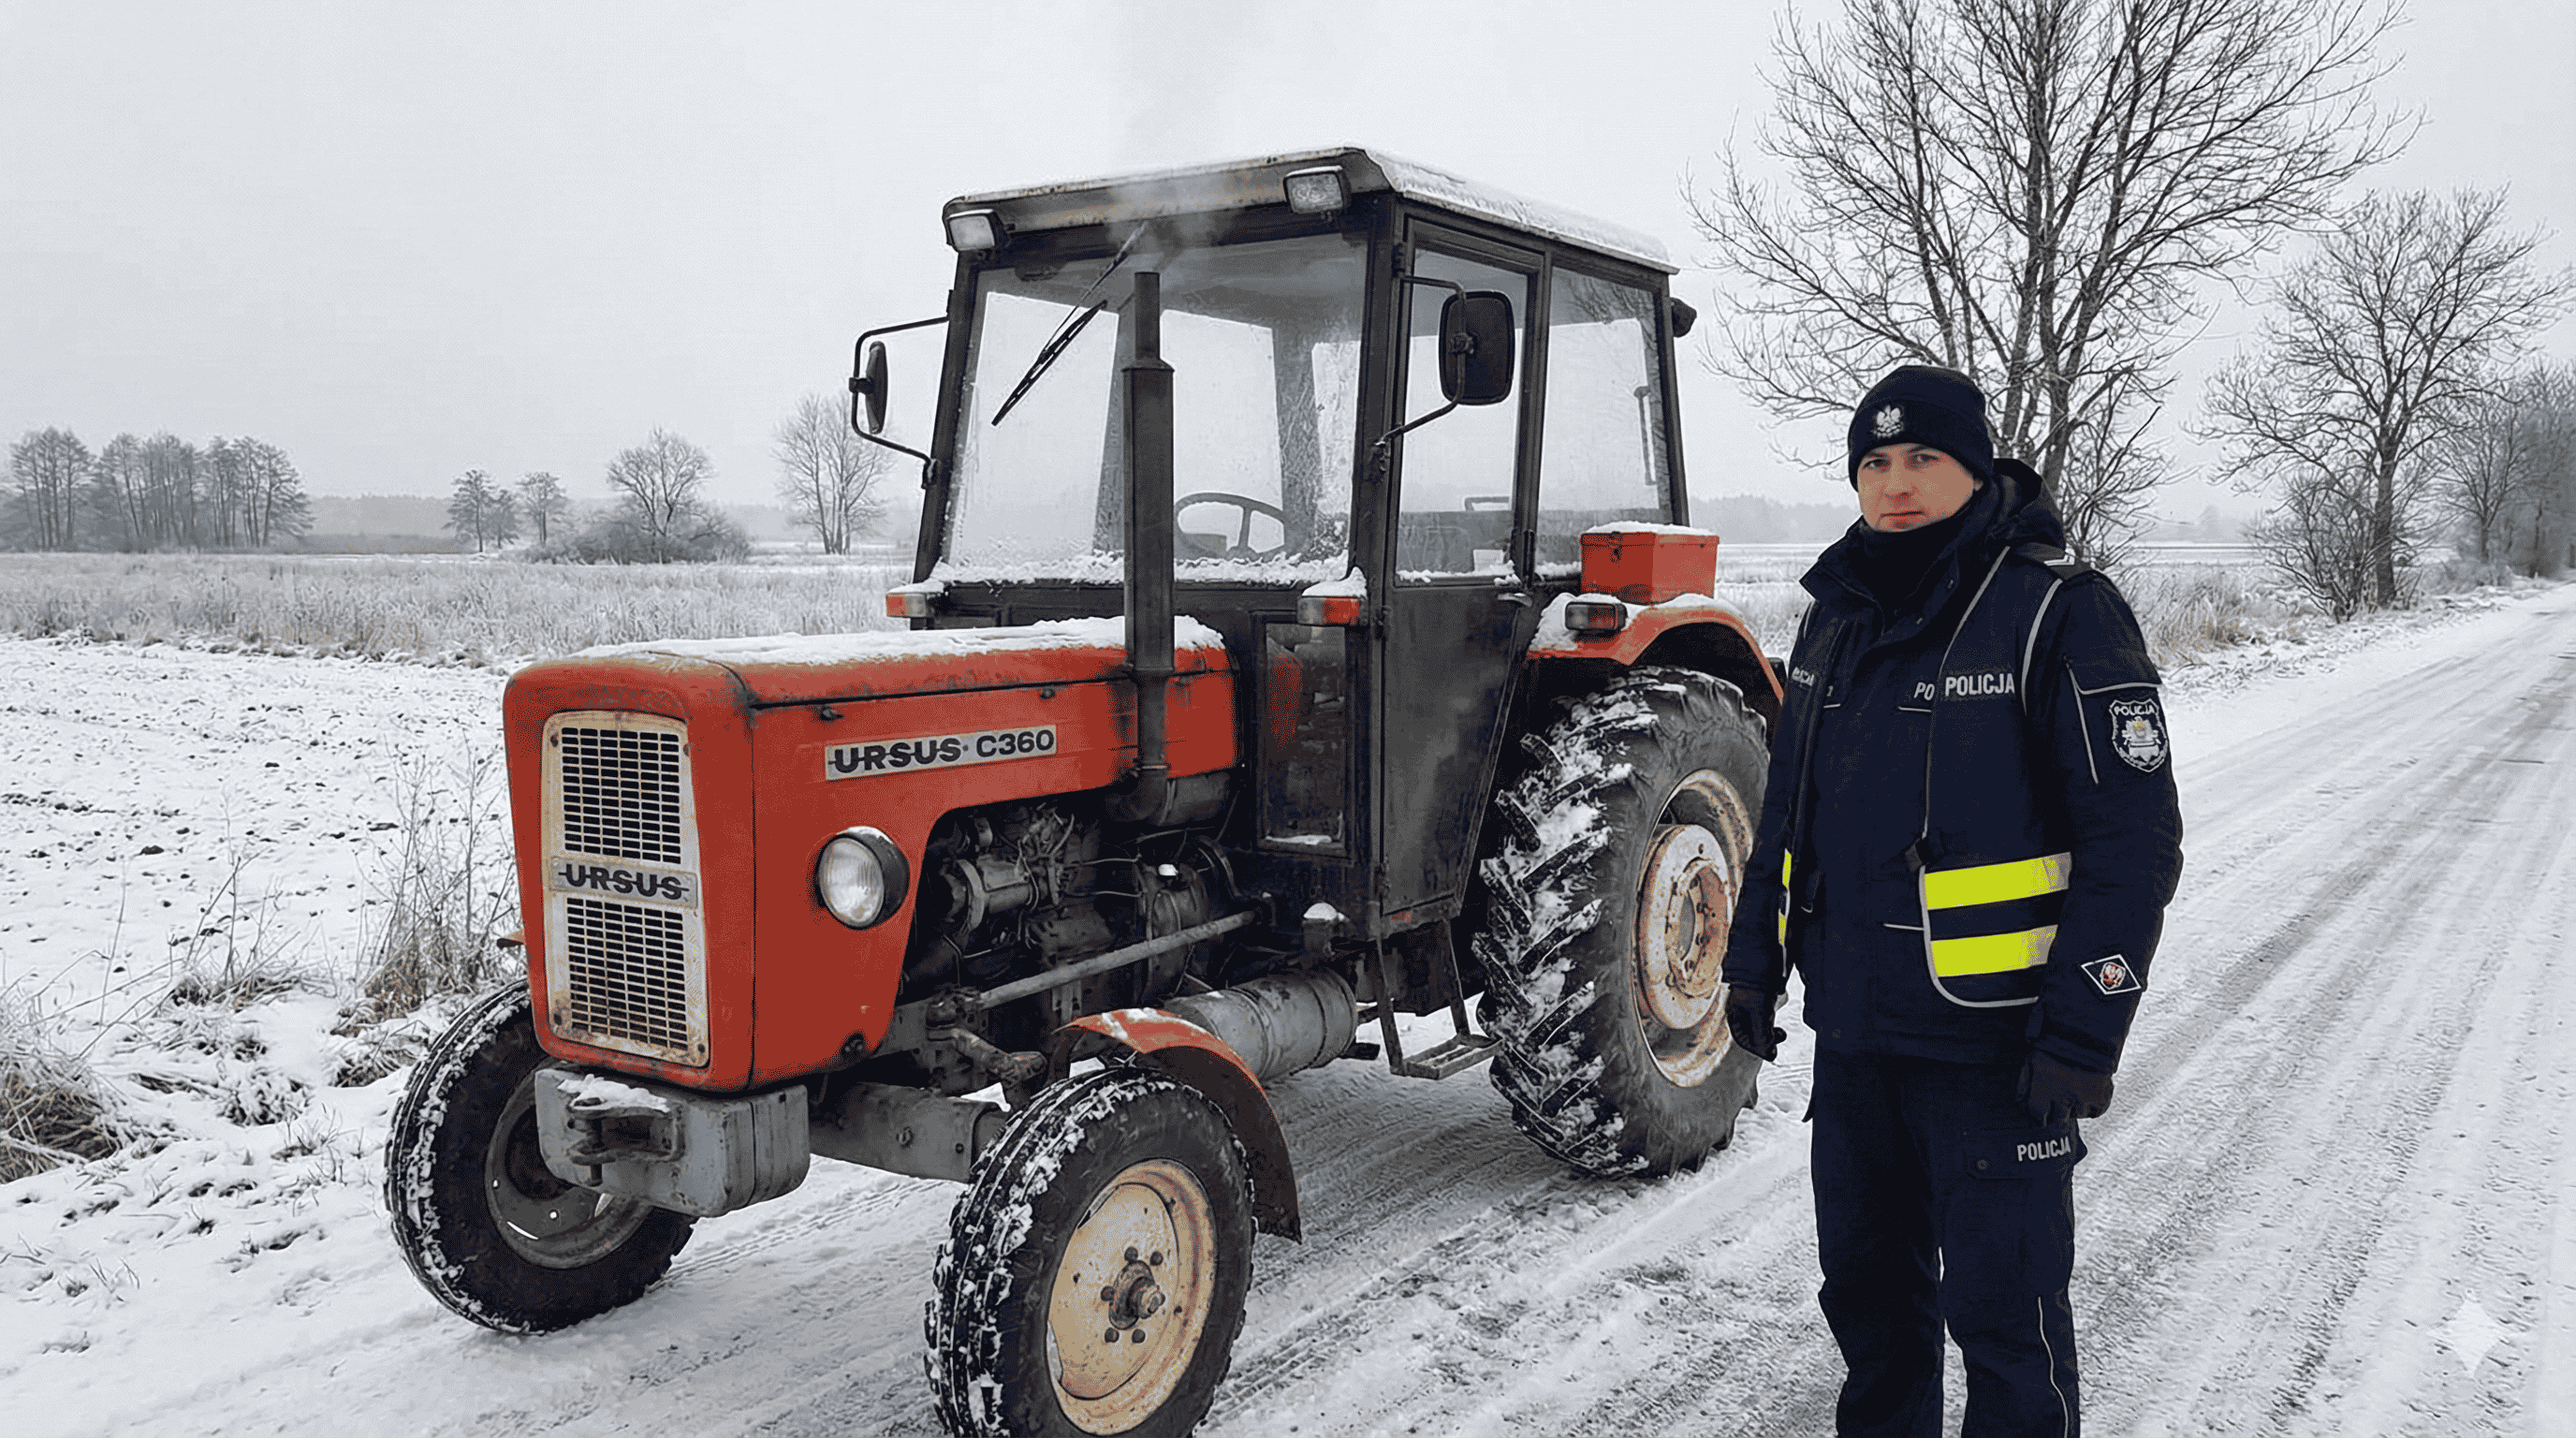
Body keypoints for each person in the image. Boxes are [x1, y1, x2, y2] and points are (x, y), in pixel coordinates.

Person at [1720, 365, 2183, 1436]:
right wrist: (1754, 956)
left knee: (2005, 1322)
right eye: (1874, 462)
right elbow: (1783, 812)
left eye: (1923, 456)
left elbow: (2133, 840)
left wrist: (2083, 1031)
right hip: (1859, 1045)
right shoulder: (1832, 620)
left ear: (1974, 469)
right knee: (1870, 1307)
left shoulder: (2059, 612)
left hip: (1997, 1055)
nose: (1895, 483)